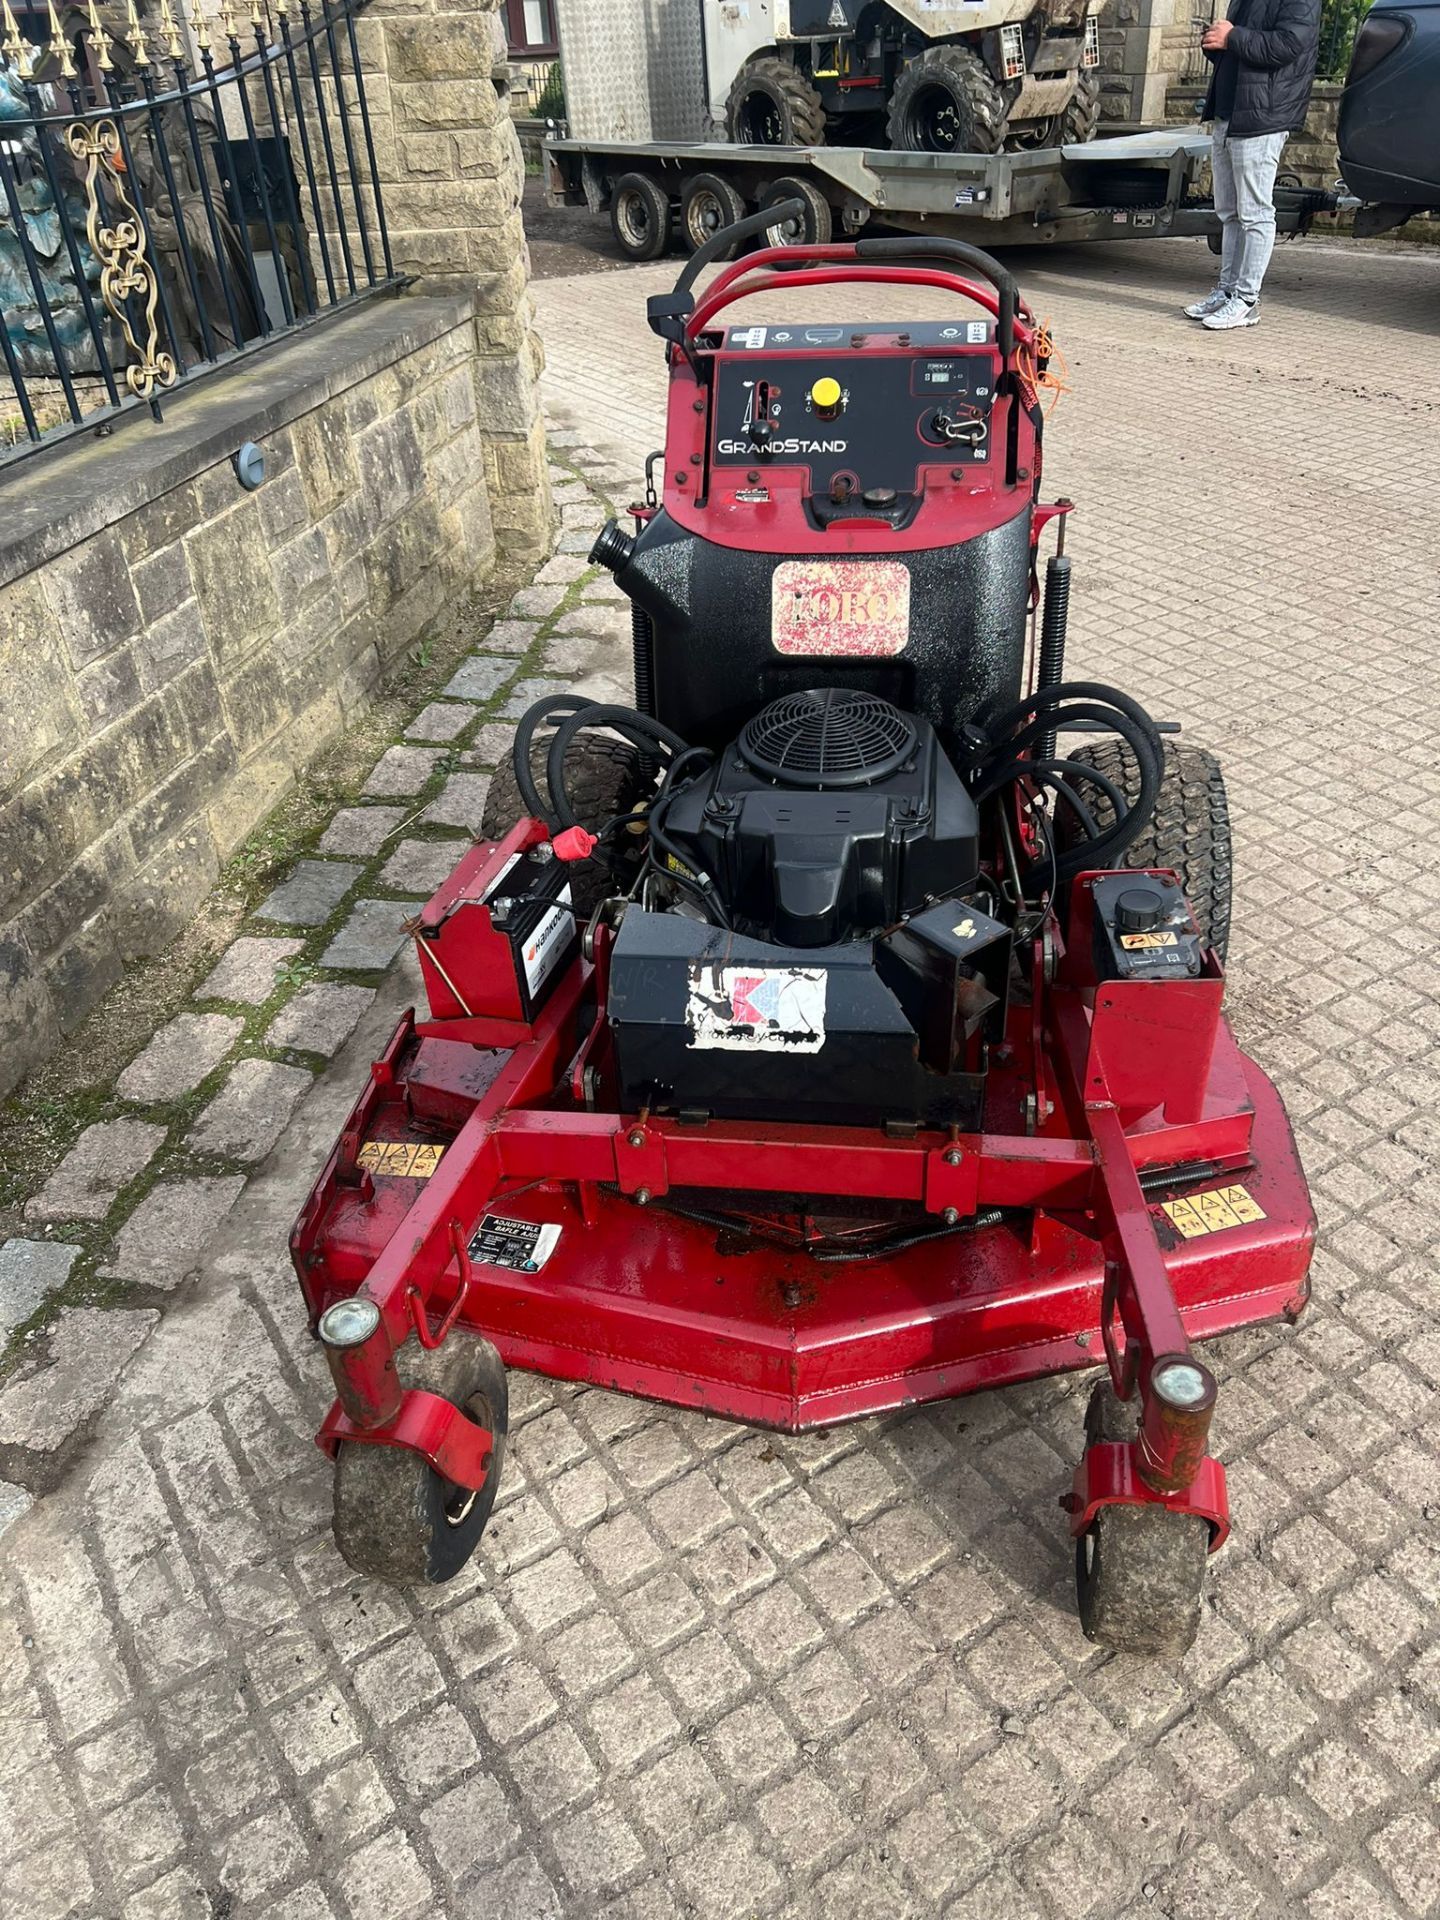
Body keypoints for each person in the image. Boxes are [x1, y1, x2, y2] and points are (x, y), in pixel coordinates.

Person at [1185, 0, 1321, 330]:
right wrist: (1216, 41)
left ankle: (1246, 299)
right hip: (1229, 112)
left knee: (1255, 212)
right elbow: (1240, 47)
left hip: (1264, 116)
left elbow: (1287, 45)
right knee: (1229, 212)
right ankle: (1227, 291)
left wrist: (1233, 37)